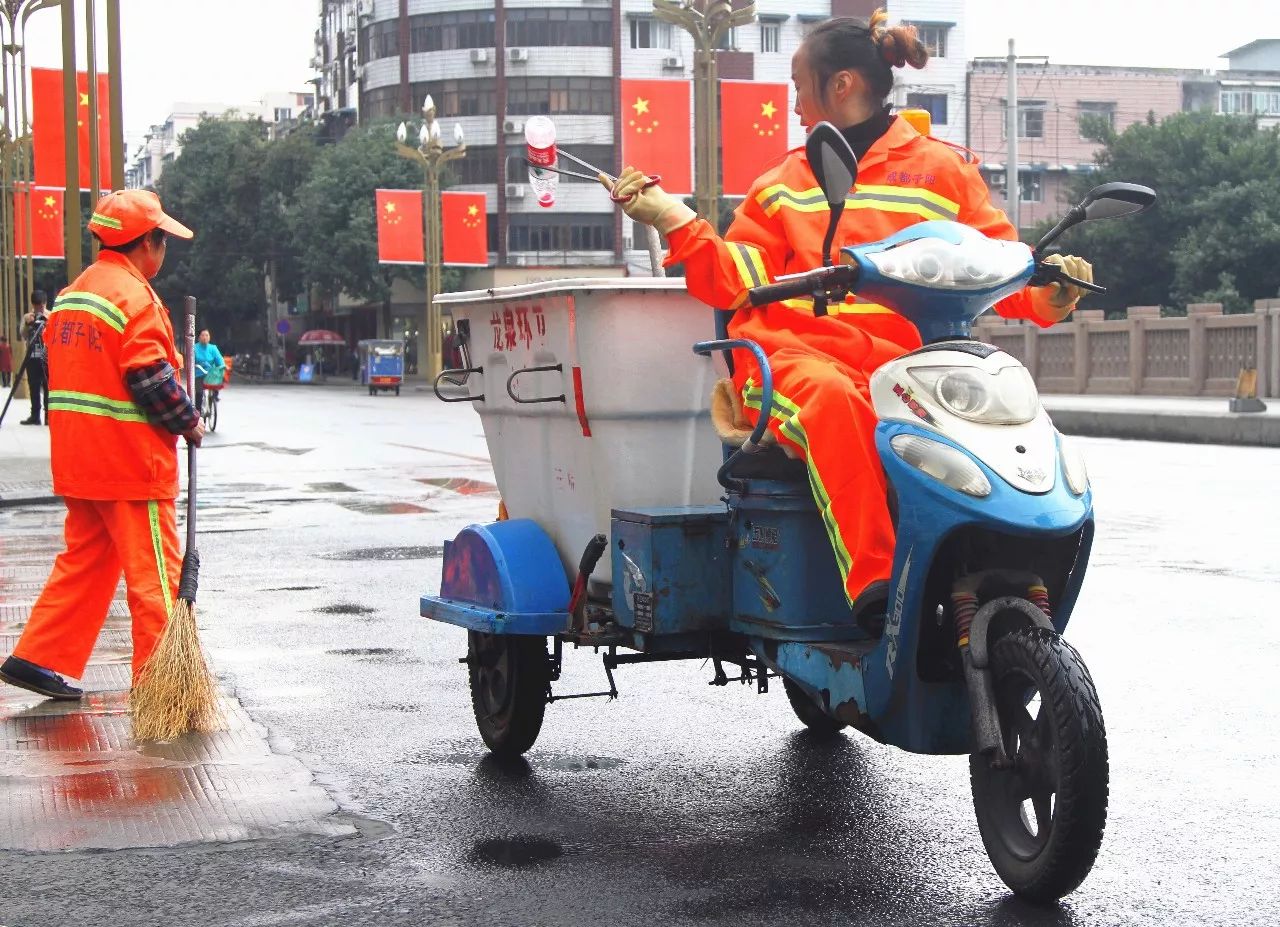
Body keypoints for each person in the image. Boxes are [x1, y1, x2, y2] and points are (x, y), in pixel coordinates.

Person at [602, 10, 1095, 617]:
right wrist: (675, 219)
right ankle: (878, 586)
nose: (794, 103)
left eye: (799, 85)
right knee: (836, 404)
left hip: (907, 365)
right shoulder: (781, 183)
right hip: (791, 357)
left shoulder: (946, 171)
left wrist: (1048, 293)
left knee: (998, 412)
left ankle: (1006, 566)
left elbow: (994, 264)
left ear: (840, 86)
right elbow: (739, 282)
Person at [0, 189, 203, 701]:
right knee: (156, 579)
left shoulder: (73, 297)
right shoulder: (135, 300)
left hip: (80, 464)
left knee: (87, 561)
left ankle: (38, 657)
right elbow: (151, 379)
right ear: (147, 244)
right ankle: (164, 690)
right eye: (163, 240)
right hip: (131, 468)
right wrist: (189, 423)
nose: (164, 251)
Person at [20, 290, 50, 425]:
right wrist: (27, 324)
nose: (39, 310)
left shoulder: (51, 316)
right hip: (32, 357)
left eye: (42, 307)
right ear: (33, 305)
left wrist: (48, 321)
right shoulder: (28, 317)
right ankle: (35, 415)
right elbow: (23, 335)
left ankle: (48, 416)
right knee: (34, 387)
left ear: (45, 304)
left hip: (47, 357)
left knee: (48, 386)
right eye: (37, 307)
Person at [192, 328, 225, 414]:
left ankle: (214, 398)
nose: (205, 337)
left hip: (211, 373)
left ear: (209, 337)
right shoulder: (194, 348)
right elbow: (191, 362)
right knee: (199, 394)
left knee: (216, 382)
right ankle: (198, 414)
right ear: (199, 337)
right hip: (199, 373)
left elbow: (219, 361)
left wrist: (222, 366)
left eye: (207, 335)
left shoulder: (213, 348)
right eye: (203, 335)